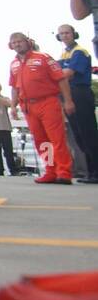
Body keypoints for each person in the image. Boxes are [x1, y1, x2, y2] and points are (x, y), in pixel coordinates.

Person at [8, 31, 75, 184]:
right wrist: (13, 106)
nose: (17, 44)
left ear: (28, 42)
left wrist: (68, 101)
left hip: (48, 102)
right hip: (28, 106)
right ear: (11, 46)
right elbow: (14, 87)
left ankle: (64, 172)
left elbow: (61, 79)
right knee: (41, 140)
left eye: (20, 41)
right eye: (14, 42)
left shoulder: (43, 58)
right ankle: (50, 171)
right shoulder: (14, 64)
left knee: (56, 138)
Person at [57, 24, 98, 184]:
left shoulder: (79, 51)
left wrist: (54, 76)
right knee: (79, 135)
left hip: (80, 92)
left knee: (88, 133)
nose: (64, 36)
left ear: (74, 34)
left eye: (67, 33)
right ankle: (90, 171)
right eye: (61, 34)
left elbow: (67, 73)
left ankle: (96, 171)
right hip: (68, 93)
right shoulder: (64, 53)